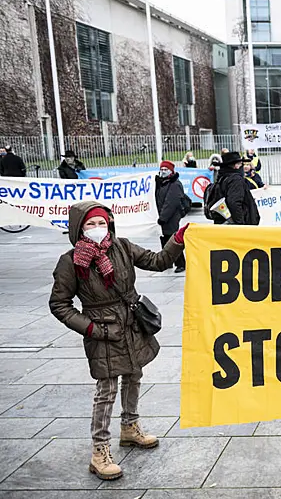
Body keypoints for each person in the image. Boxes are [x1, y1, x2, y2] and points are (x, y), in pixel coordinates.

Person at [49, 202, 187, 480]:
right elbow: (59, 303)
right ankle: (99, 451)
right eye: (91, 225)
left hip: (131, 325)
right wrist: (92, 329)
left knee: (134, 375)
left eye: (102, 223)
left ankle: (129, 427)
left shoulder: (122, 247)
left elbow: (158, 261)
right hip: (103, 331)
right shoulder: (70, 261)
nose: (98, 229)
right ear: (78, 228)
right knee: (106, 390)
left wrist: (177, 241)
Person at [155, 161, 187, 273]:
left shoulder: (175, 184)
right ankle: (167, 261)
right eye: (162, 169)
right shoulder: (162, 183)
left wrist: (163, 217)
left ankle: (181, 263)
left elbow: (171, 202)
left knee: (172, 240)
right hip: (162, 216)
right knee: (164, 239)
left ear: (171, 171)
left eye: (166, 169)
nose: (163, 171)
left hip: (171, 217)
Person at [213, 152, 260, 226]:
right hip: (234, 223)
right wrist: (240, 224)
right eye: (241, 164)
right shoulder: (235, 179)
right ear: (236, 165)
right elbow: (234, 203)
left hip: (223, 220)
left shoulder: (222, 177)